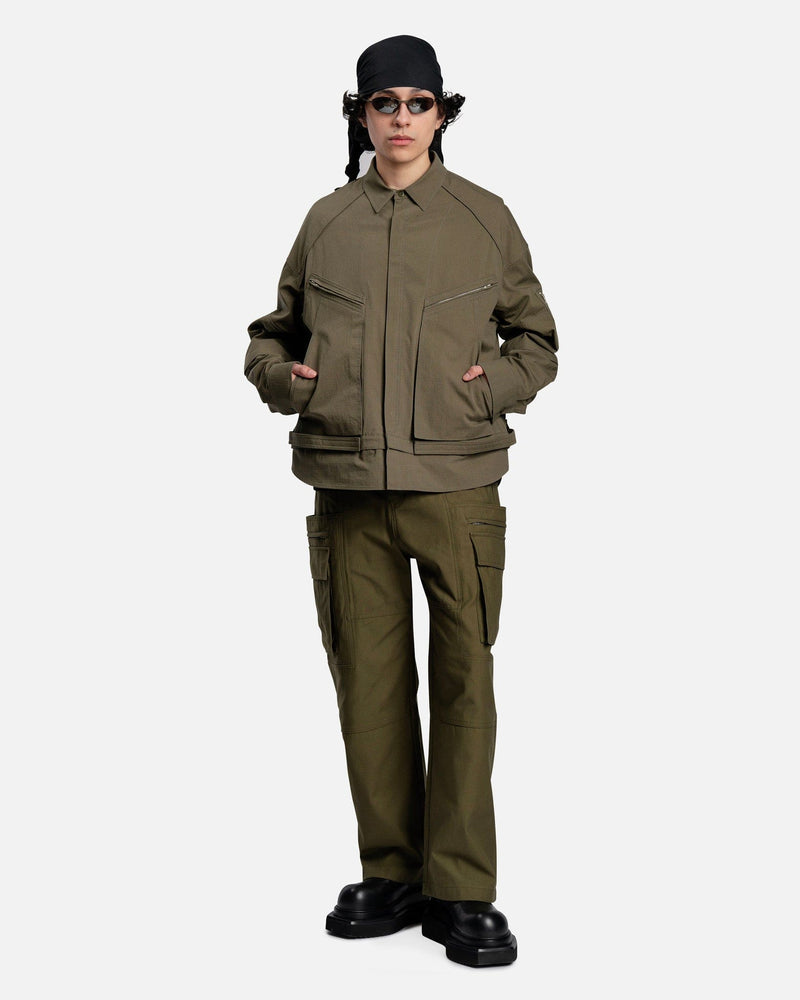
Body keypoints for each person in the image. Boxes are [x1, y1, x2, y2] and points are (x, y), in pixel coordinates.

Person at [243, 34, 558, 967]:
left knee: (464, 686)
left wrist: (489, 391)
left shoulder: (484, 218)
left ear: (443, 115)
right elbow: (270, 335)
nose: (403, 120)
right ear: (363, 115)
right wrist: (286, 381)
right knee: (370, 688)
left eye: (421, 104)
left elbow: (537, 342)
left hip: (456, 488)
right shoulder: (327, 220)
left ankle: (460, 888)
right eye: (386, 104)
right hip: (346, 488)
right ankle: (391, 873)